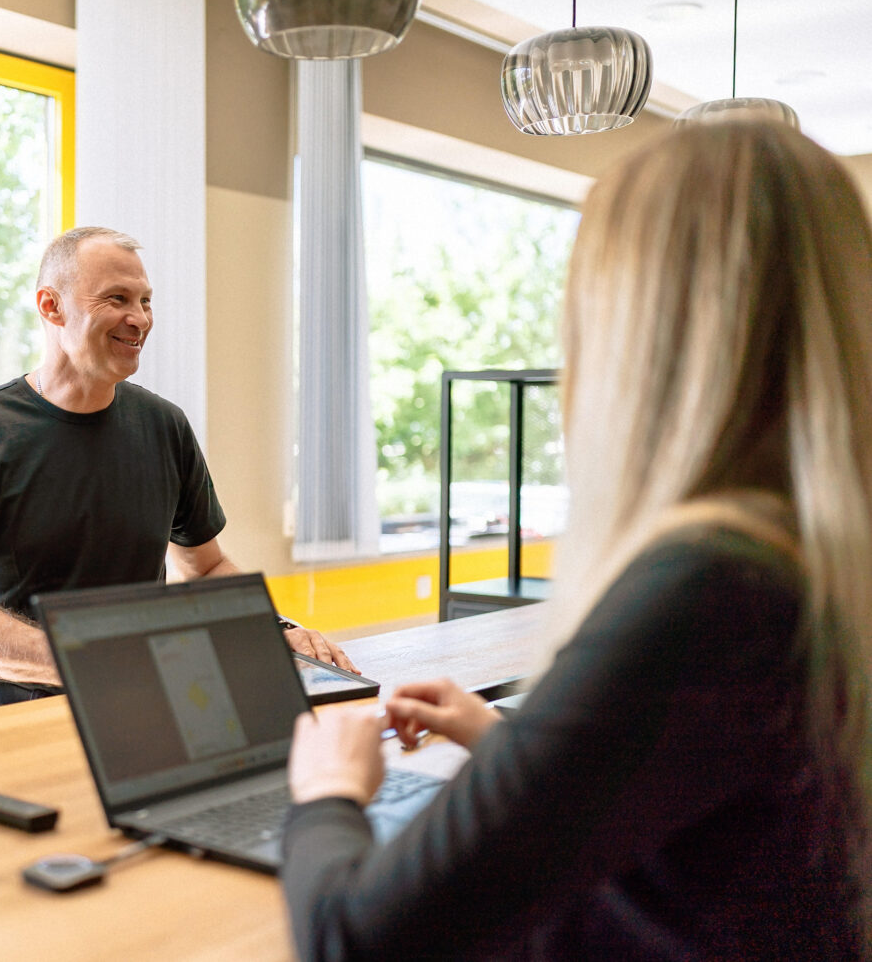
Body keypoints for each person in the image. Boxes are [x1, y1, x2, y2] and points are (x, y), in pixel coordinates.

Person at [282, 121, 870, 959]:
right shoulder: (806, 557)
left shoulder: (705, 587)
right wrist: (514, 748)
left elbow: (352, 940)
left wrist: (328, 792)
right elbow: (707, 817)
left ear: (636, 332)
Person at [0, 226, 355, 713]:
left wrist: (273, 630)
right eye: (117, 298)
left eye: (145, 301)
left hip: (142, 694)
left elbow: (205, 568)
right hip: (14, 702)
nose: (138, 318)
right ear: (51, 306)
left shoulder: (164, 425)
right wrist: (85, 662)